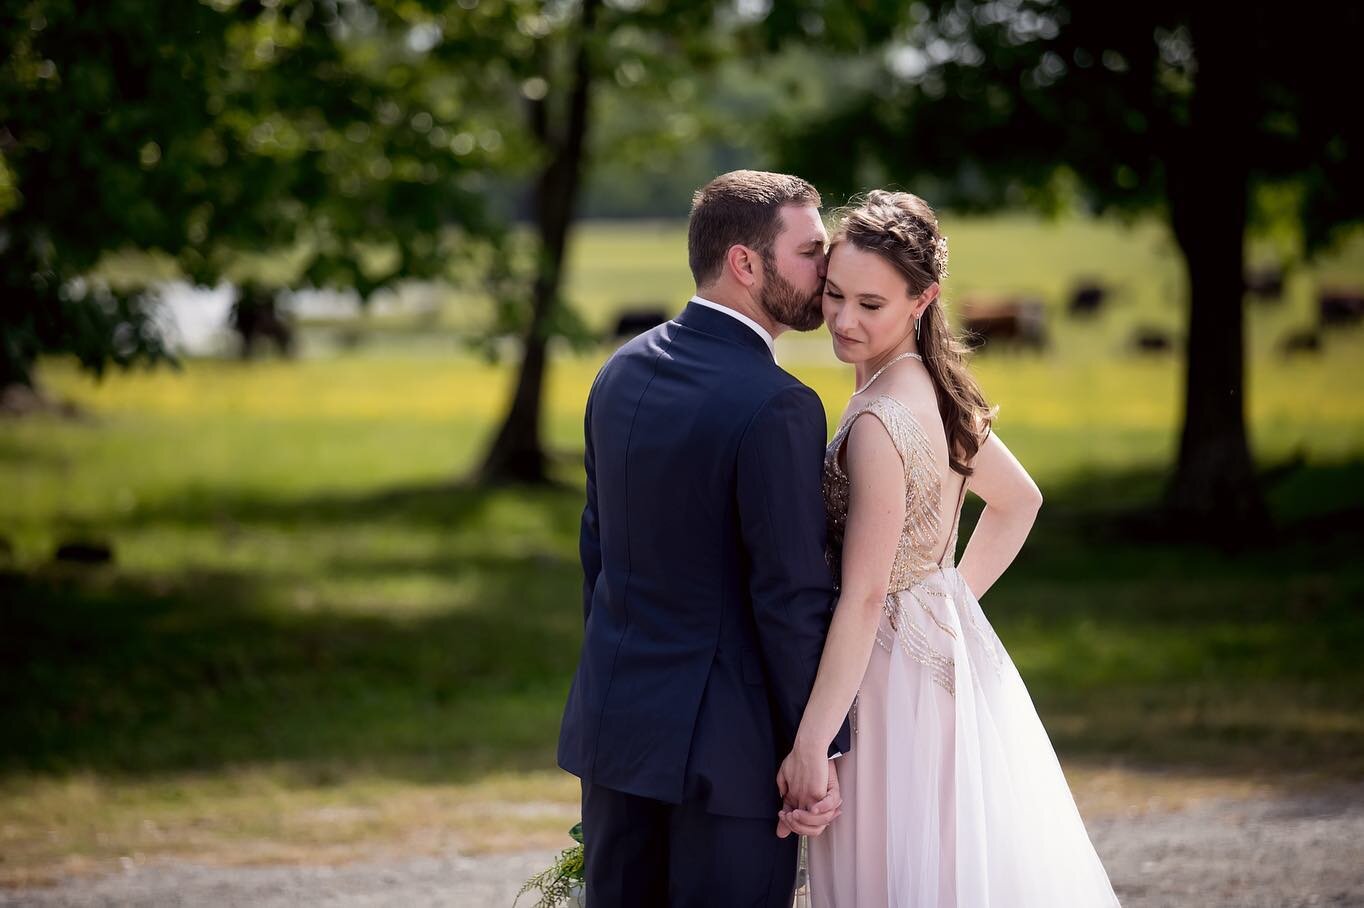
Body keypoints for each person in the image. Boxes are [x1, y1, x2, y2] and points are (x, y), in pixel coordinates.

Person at [783, 190, 1121, 906]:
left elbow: (867, 593)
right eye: (835, 294)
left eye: (870, 305)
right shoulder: (932, 386)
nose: (843, 319)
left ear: (922, 298)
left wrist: (813, 744)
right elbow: (1018, 500)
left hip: (880, 677)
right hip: (935, 659)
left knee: (898, 869)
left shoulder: (878, 419)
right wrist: (947, 602)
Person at [557, 170, 851, 907]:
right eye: (812, 250)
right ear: (746, 264)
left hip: (617, 733)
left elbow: (598, 556)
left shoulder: (619, 370)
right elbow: (791, 593)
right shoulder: (779, 403)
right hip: (730, 752)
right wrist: (818, 745)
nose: (830, 269)